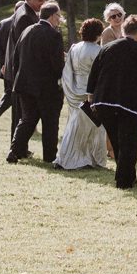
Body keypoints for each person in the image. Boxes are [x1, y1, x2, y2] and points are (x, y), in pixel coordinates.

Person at [85, 15, 137, 189]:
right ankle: (124, 181)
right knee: (130, 143)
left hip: (104, 102)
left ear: (123, 30)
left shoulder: (107, 48)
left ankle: (128, 176)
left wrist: (91, 98)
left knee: (117, 142)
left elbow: (94, 74)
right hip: (131, 104)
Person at [5, 1, 66, 165]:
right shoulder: (54, 35)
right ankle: (49, 156)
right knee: (50, 122)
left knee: (27, 119)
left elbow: (16, 58)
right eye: (58, 16)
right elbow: (57, 64)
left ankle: (14, 151)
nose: (59, 20)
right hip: (47, 86)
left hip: (25, 84)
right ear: (52, 16)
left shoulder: (27, 30)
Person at [0, 0, 47, 131]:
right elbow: (24, 49)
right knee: (21, 114)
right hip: (21, 72)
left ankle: (18, 144)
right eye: (40, 0)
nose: (43, 4)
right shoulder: (25, 17)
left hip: (13, 69)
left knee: (19, 111)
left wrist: (5, 63)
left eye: (44, 0)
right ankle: (17, 144)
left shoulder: (21, 14)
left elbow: (0, 46)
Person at [54, 18, 107, 171]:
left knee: (75, 126)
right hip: (90, 92)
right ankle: (80, 159)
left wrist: (70, 88)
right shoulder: (98, 51)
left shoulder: (74, 48)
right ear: (98, 34)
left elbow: (67, 70)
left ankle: (80, 157)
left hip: (74, 89)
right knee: (92, 128)